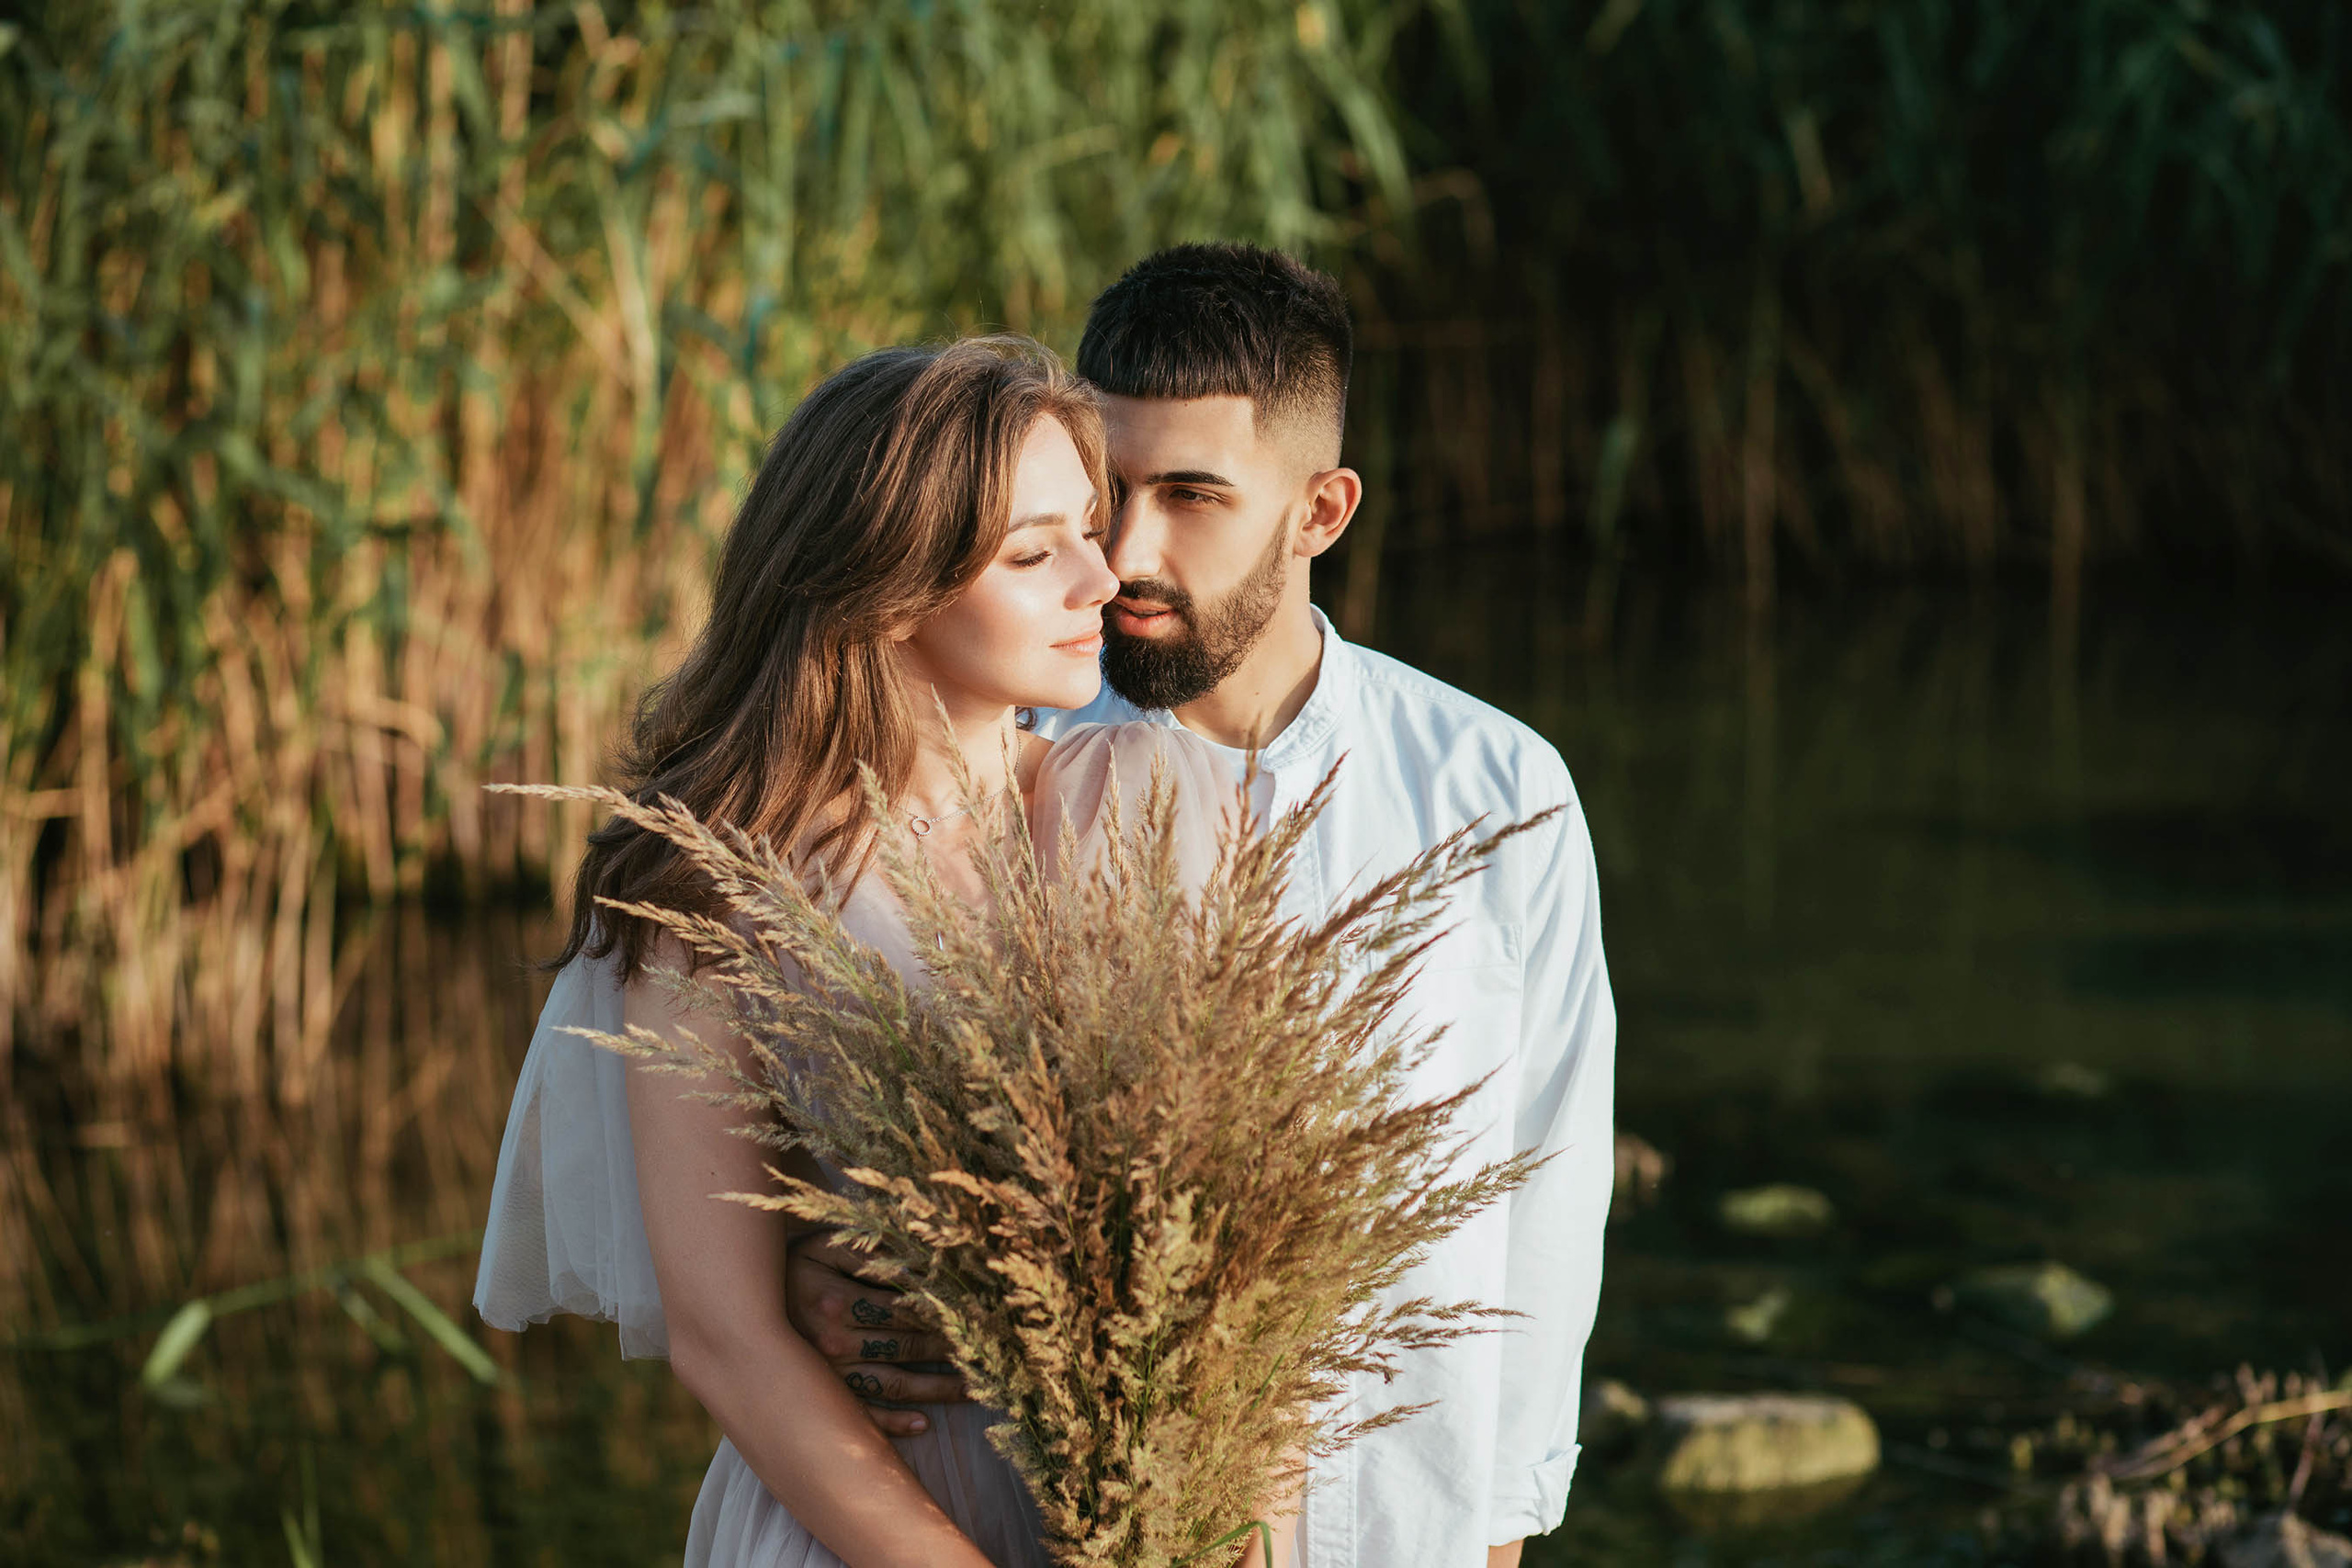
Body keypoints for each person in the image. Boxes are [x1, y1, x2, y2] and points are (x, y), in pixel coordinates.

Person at [786, 245, 1617, 1568]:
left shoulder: (1500, 795)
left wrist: (1499, 1538)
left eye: (1191, 496)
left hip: (1403, 1528)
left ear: (1320, 512)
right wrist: (805, 1270)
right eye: (1106, 493)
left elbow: (1545, 1210)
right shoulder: (1000, 778)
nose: (1125, 552)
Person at [471, 336, 1296, 1568]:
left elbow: (1257, 1245)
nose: (1105, 574)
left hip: (1156, 1516)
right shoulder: (717, 888)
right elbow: (726, 1337)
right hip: (864, 1528)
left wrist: (1239, 1536)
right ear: (889, 591)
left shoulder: (1157, 801)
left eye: (1088, 528)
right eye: (1035, 553)